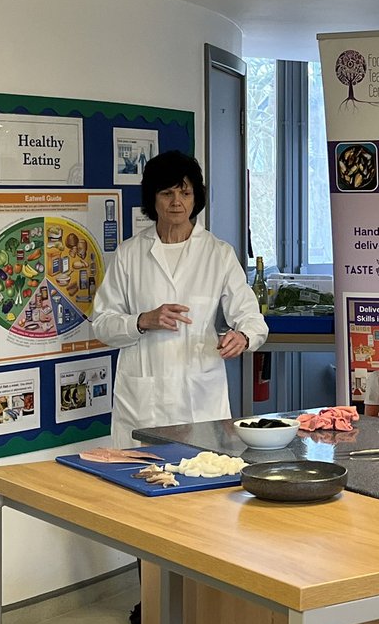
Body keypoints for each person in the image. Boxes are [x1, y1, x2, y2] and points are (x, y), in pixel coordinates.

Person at [93, 150, 269, 448]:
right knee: (140, 479)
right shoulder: (129, 253)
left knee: (202, 479)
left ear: (195, 197)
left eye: (185, 193)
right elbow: (102, 324)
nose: (177, 202)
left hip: (200, 396)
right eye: (167, 193)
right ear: (153, 199)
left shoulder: (218, 253)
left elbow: (252, 319)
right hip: (144, 399)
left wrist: (243, 336)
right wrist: (142, 321)